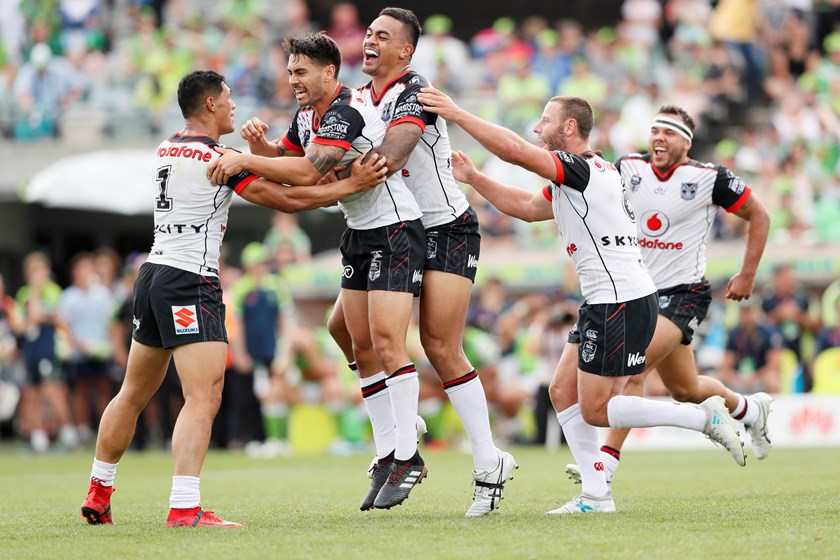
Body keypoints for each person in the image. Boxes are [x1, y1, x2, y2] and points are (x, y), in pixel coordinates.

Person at [80, 69, 389, 529]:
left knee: (132, 393)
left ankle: (99, 489)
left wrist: (263, 158)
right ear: (210, 104)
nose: (233, 106)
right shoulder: (217, 157)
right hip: (190, 280)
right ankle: (184, 508)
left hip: (152, 274)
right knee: (203, 396)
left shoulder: (166, 146)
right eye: (227, 98)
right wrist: (351, 186)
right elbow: (289, 200)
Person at [418, 88, 746, 514]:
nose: (537, 128)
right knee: (562, 390)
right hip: (609, 299)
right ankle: (596, 495)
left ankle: (703, 418)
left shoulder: (581, 169)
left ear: (569, 127)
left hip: (619, 300)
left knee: (596, 409)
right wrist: (476, 178)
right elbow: (526, 207)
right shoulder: (582, 175)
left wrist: (457, 113)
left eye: (546, 121)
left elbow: (516, 151)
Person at [207, 32, 428, 511]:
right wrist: (259, 147)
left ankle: (406, 455)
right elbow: (287, 162)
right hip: (360, 231)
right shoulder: (307, 114)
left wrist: (242, 159)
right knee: (350, 337)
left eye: (301, 71)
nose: (292, 80)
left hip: (394, 229)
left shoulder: (346, 111)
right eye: (290, 71)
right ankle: (389, 447)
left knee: (386, 343)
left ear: (330, 72)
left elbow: (307, 174)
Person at [337, 7, 516, 517]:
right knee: (344, 330)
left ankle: (488, 463)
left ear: (406, 51)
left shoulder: (416, 90)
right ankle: (401, 425)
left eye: (383, 36)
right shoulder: (358, 97)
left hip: (444, 227)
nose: (370, 41)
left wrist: (324, 175)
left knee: (440, 345)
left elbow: (389, 157)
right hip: (392, 227)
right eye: (369, 33)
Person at [564, 104, 773, 485]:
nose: (660, 138)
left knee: (633, 366)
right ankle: (751, 410)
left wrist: (747, 273)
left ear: (687, 143)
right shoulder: (628, 167)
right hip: (636, 291)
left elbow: (759, 215)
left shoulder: (710, 177)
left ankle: (605, 466)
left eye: (670, 133)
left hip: (683, 293)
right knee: (686, 389)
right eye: (656, 131)